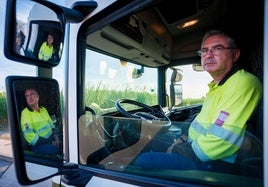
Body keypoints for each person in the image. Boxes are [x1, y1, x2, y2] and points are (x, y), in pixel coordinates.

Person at [134, 30, 263, 173]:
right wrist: (183, 138)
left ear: (235, 54)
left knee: (141, 161)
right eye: (204, 50)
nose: (208, 54)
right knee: (155, 140)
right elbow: (202, 122)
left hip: (213, 162)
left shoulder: (242, 83)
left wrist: (179, 150)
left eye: (217, 48)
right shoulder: (217, 86)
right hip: (196, 147)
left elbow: (222, 140)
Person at [20, 88, 60, 155]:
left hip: (51, 138)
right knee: (57, 150)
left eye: (32, 94)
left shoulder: (43, 109)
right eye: (27, 96)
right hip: (38, 145)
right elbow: (30, 136)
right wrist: (52, 142)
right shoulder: (25, 113)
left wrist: (56, 138)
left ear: (38, 97)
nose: (29, 97)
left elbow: (51, 126)